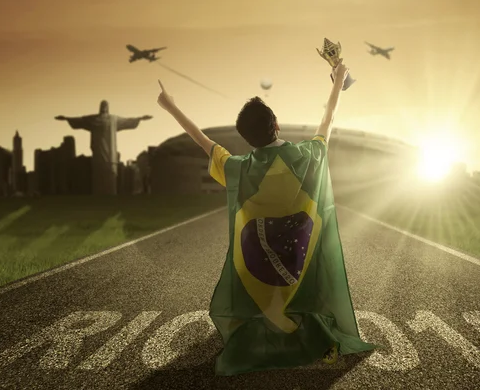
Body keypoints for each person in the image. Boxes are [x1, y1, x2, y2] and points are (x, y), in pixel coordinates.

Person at [156, 60, 376, 376]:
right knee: (305, 230)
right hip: (297, 255)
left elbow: (202, 140)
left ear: (248, 138)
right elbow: (327, 119)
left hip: (256, 259)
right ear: (276, 125)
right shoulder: (307, 156)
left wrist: (171, 107)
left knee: (255, 236)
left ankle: (269, 309)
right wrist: (338, 80)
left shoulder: (238, 168)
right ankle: (297, 312)